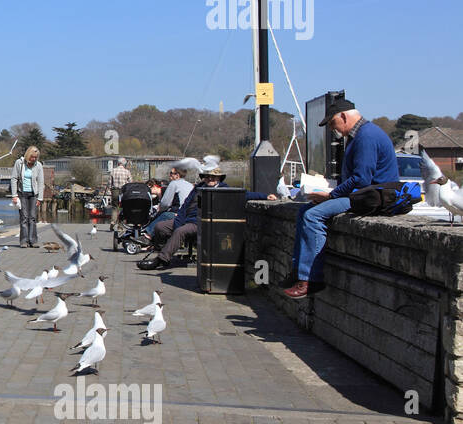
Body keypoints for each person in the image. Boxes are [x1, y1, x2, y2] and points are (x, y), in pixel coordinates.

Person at [283, 98, 397, 299]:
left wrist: (330, 194)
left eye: (333, 123)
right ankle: (298, 272)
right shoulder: (361, 135)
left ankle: (310, 278)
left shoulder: (366, 137)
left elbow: (362, 179)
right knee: (304, 211)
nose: (333, 129)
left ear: (343, 116)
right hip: (365, 195)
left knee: (313, 216)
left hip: (371, 198)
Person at [139, 168, 276, 268]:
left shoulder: (223, 189)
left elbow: (244, 195)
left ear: (219, 179)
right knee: (160, 226)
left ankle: (161, 259)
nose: (210, 179)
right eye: (208, 177)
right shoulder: (197, 188)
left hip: (201, 222)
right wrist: (178, 222)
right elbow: (185, 206)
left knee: (181, 231)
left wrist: (264, 196)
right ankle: (165, 250)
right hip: (186, 219)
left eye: (214, 177)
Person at [10, 145, 44, 247]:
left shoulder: (38, 165)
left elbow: (41, 182)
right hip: (22, 193)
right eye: (32, 157)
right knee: (24, 217)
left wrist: (40, 198)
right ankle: (24, 241)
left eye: (35, 157)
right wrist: (14, 195)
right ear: (28, 155)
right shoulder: (19, 163)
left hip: (34, 194)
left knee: (32, 218)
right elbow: (14, 179)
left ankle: (33, 240)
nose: (33, 159)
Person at [108, 157, 132, 229]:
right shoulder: (127, 172)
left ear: (118, 163)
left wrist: (110, 189)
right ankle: (120, 226)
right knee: (122, 208)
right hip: (123, 191)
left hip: (115, 190)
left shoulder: (113, 171)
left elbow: (109, 182)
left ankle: (113, 221)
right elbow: (130, 183)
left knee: (115, 207)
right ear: (124, 164)